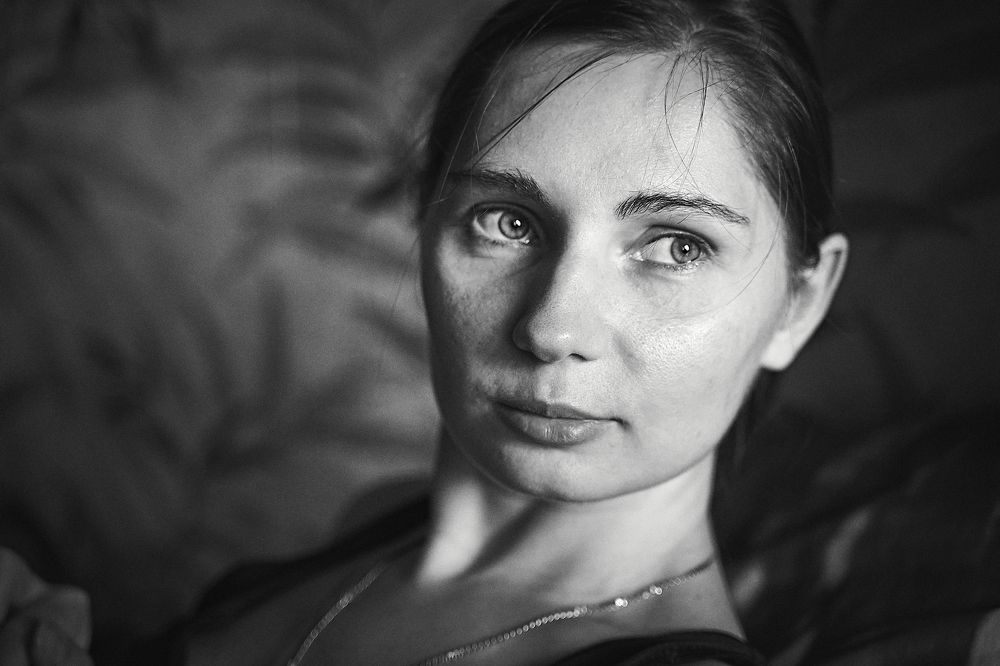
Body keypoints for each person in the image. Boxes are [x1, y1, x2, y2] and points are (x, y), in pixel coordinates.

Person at [176, 0, 848, 663]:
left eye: (678, 247)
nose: (552, 329)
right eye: (508, 223)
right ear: (426, 220)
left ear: (800, 303)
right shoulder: (376, 523)